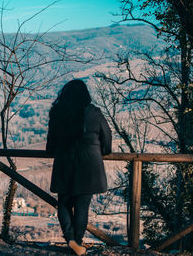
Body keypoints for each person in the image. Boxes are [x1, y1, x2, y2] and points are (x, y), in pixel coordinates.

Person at [46, 79, 112, 256]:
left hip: (65, 162)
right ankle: (78, 242)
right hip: (89, 166)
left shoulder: (58, 112)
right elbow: (106, 137)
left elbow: (51, 142)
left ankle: (71, 240)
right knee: (82, 207)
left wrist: (53, 150)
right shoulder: (95, 113)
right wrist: (103, 151)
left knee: (64, 203)